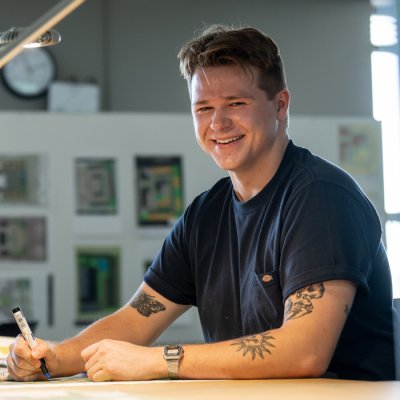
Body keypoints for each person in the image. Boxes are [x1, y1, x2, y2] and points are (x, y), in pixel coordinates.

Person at [8, 25, 397, 382]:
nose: (218, 124)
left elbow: (305, 352)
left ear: (280, 105)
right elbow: (135, 319)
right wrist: (57, 357)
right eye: (204, 108)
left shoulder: (321, 197)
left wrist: (160, 360)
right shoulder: (205, 215)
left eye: (236, 103)